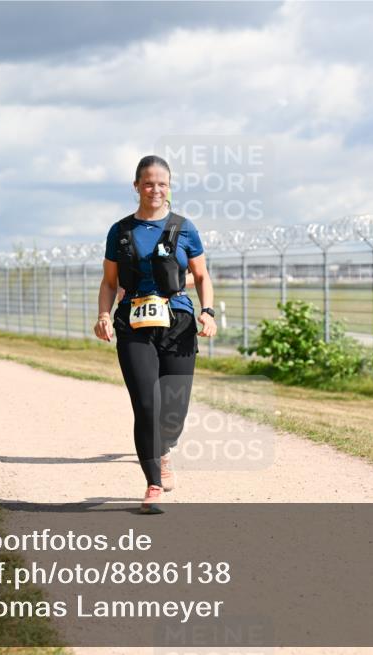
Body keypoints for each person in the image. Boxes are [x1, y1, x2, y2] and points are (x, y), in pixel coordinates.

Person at [94, 155, 216, 514]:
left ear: (170, 187)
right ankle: (153, 484)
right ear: (136, 186)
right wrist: (103, 314)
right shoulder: (120, 231)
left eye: (162, 183)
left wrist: (207, 312)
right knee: (146, 404)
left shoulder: (184, 228)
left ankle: (164, 448)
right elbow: (109, 282)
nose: (155, 189)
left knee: (174, 410)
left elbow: (202, 276)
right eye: (148, 183)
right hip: (133, 325)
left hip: (178, 323)